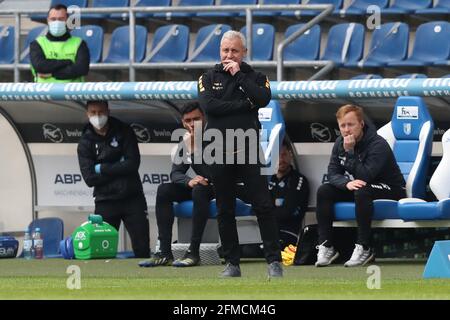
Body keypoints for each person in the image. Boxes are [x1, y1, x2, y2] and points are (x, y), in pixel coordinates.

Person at [198, 30, 283, 278]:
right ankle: (232, 264)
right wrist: (245, 106)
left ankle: (274, 261)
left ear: (243, 52)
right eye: (225, 50)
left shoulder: (256, 77)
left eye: (234, 50)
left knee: (263, 205)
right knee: (225, 209)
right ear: (220, 51)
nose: (229, 55)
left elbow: (263, 99)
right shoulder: (206, 77)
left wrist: (240, 79)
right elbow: (209, 107)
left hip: (248, 147)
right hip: (217, 149)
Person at [315, 104, 406, 267]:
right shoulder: (339, 143)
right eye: (342, 126)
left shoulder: (378, 144)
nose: (346, 130)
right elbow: (333, 173)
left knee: (362, 190)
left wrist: (349, 152)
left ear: (361, 124)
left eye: (351, 124)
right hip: (362, 188)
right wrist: (347, 183)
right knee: (324, 191)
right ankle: (327, 246)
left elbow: (366, 176)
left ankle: (364, 247)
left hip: (391, 189)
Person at [139, 102, 213, 268]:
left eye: (196, 119)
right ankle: (164, 252)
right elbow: (176, 173)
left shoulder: (216, 134)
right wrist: (189, 181)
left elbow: (213, 173)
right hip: (203, 185)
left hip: (223, 186)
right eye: (188, 120)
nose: (192, 124)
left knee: (200, 190)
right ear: (183, 123)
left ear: (204, 118)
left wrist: (193, 150)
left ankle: (193, 252)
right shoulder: (186, 139)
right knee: (164, 190)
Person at [77, 100, 150, 258]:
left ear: (108, 111)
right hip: (105, 201)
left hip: (132, 197)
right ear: (87, 114)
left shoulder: (124, 130)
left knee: (142, 249)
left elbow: (132, 165)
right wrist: (119, 165)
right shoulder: (84, 142)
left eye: (101, 112)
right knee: (102, 251)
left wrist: (101, 168)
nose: (97, 116)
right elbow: (90, 179)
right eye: (93, 113)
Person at [30, 3, 90, 83]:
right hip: (45, 93)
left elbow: (82, 69)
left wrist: (52, 74)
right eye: (53, 19)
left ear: (67, 20)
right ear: (48, 20)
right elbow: (40, 66)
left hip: (72, 93)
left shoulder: (79, 43)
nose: (57, 22)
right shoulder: (37, 44)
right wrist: (68, 61)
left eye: (61, 19)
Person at [269, 140, 309, 249]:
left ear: (290, 155)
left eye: (284, 155)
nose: (281, 160)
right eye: (277, 156)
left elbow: (287, 212)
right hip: (266, 232)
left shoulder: (298, 180)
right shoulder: (268, 179)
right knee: (246, 249)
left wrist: (268, 212)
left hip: (289, 234)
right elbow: (258, 207)